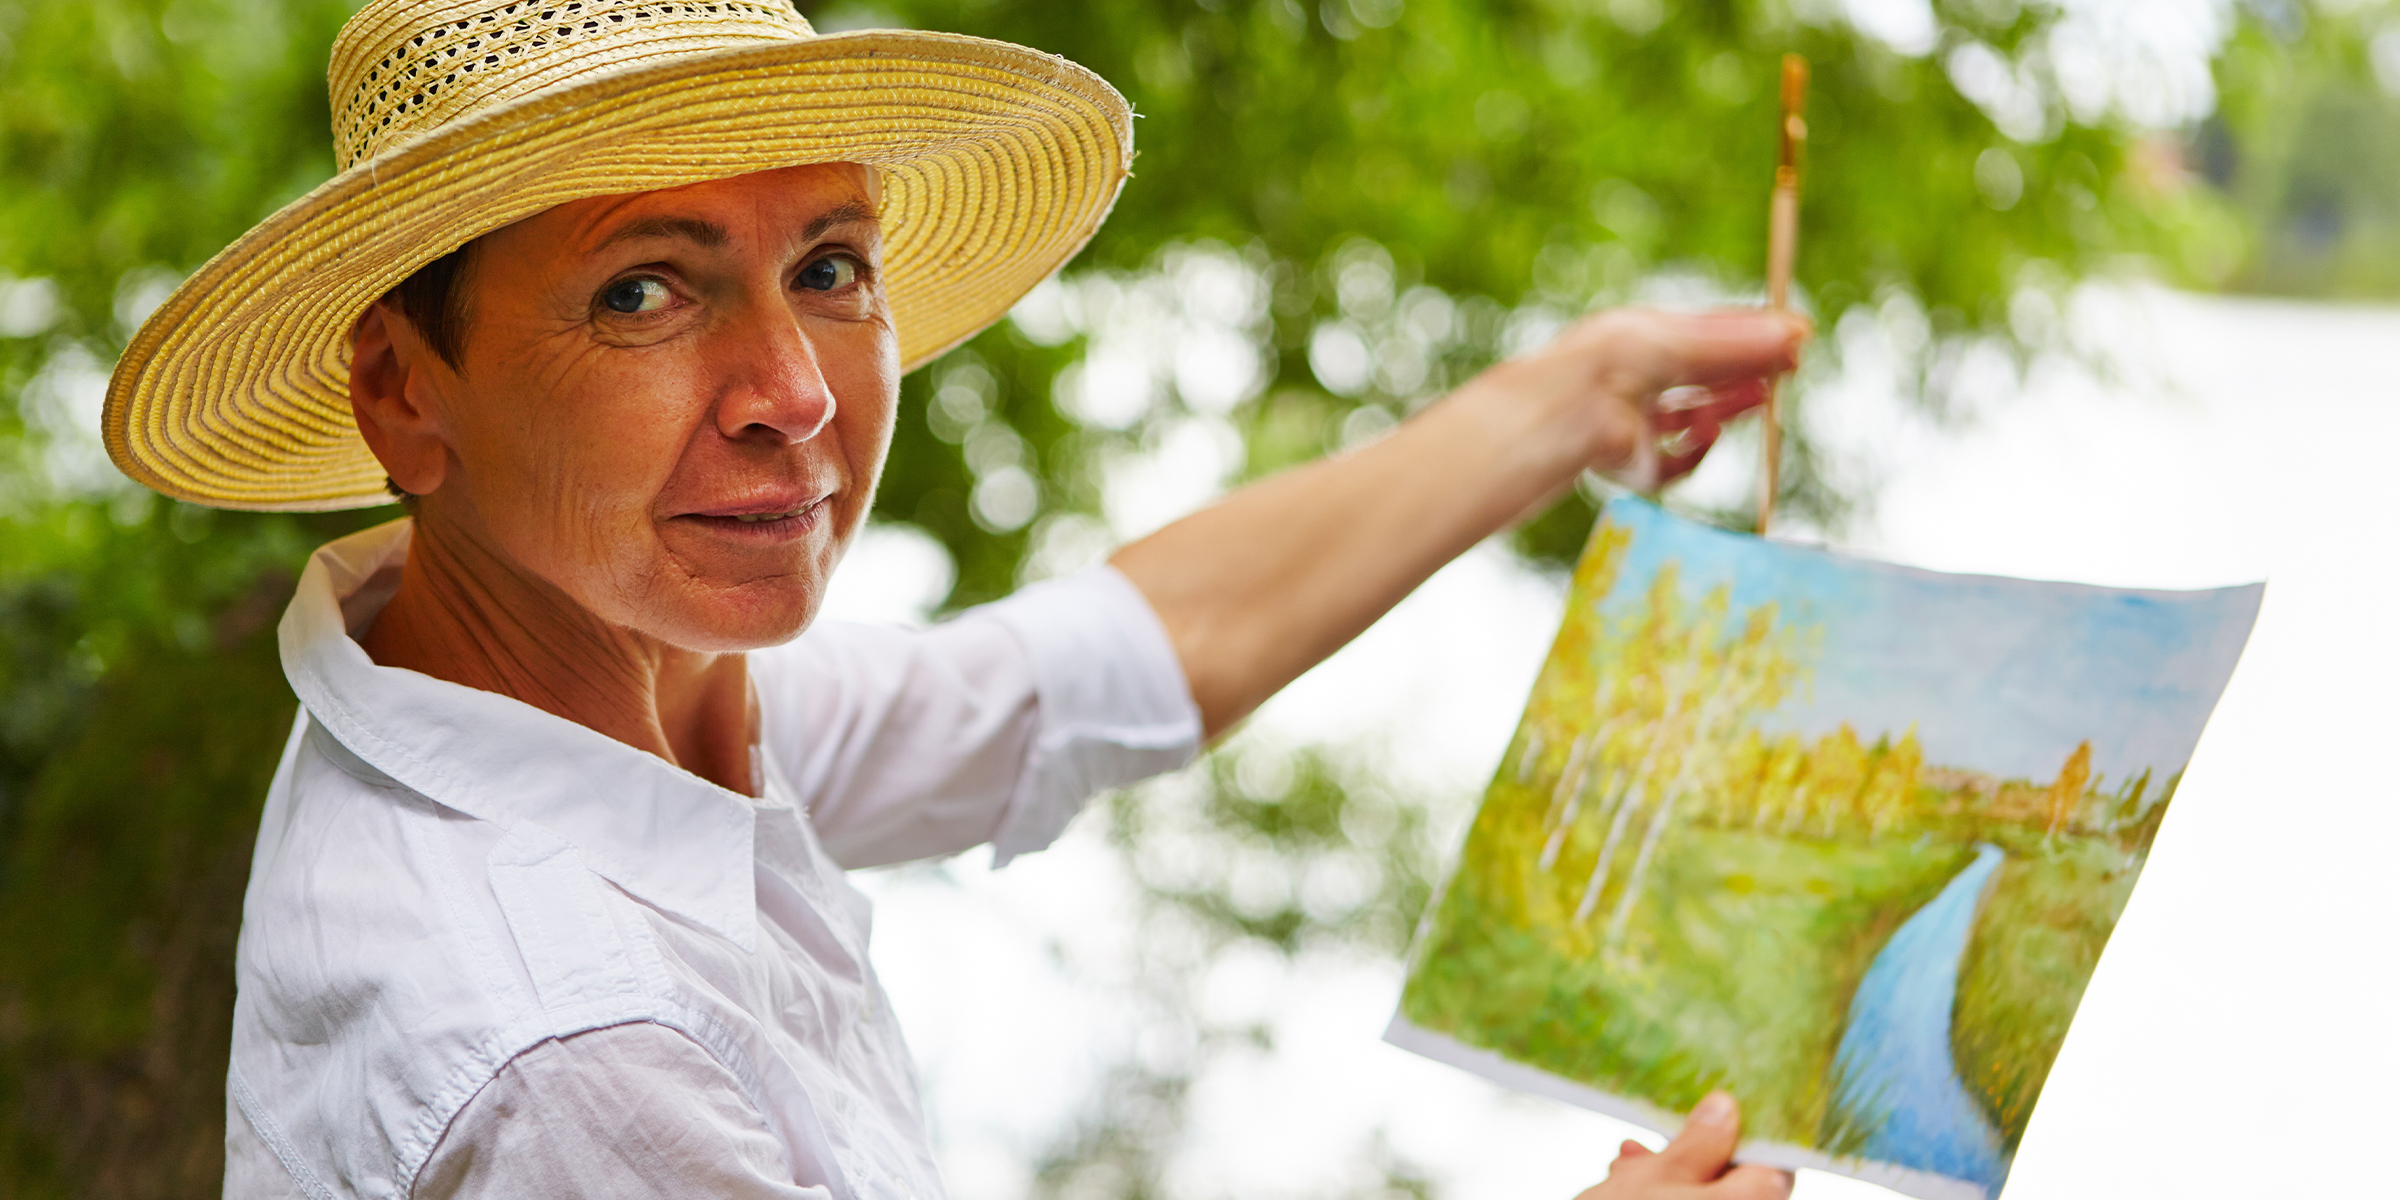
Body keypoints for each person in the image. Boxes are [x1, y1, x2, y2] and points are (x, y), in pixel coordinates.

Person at [102, 3, 1806, 1198]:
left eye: (830, 268)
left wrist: (1576, 397)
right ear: (406, 395)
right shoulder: (567, 1043)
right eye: (644, 290)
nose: (797, 389)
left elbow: (1091, 672)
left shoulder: (570, 677)